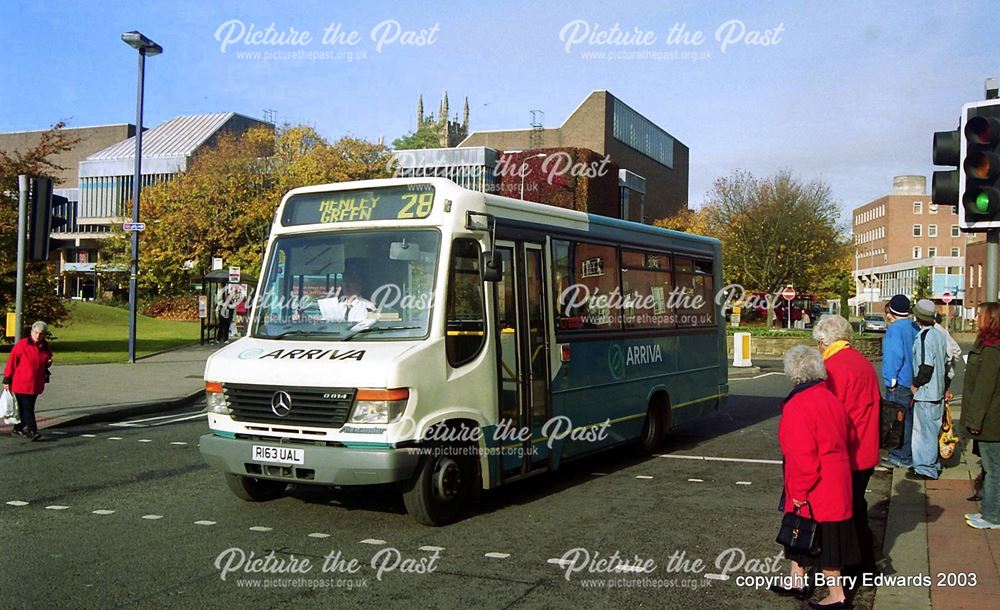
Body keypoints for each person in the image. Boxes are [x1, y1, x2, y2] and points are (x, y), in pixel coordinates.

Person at [771, 345, 859, 609]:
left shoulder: (798, 405)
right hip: (837, 479)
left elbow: (801, 457)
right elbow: (850, 436)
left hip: (817, 485)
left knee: (820, 538)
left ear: (793, 372)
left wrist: (798, 492)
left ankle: (837, 595)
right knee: (800, 532)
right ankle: (796, 580)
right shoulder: (830, 398)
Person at [813, 314, 881, 578]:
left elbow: (829, 416)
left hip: (847, 453)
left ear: (824, 341)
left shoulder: (832, 367)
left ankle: (853, 567)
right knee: (857, 507)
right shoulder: (861, 362)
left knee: (844, 513)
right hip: (866, 449)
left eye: (818, 343)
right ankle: (865, 563)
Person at [961, 302, 1000, 529]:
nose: (975, 318)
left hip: (991, 421)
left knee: (994, 469)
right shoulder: (987, 345)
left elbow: (985, 389)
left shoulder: (992, 350)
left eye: (979, 315)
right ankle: (990, 512)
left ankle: (992, 516)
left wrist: (974, 422)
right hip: (989, 419)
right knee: (991, 467)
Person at [906, 299, 949, 481]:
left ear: (918, 317)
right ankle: (932, 465)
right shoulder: (939, 334)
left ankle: (925, 468)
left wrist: (915, 384)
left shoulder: (924, 337)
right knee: (932, 430)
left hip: (926, 392)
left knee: (923, 433)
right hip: (937, 392)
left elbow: (926, 366)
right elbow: (945, 364)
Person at [882, 295, 919, 469]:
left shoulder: (894, 329)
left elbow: (894, 356)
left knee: (896, 420)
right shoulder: (913, 326)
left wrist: (890, 380)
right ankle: (907, 452)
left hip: (899, 381)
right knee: (909, 418)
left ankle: (899, 455)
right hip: (912, 380)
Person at [2, 321, 53, 441]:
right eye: (36, 333)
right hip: (21, 382)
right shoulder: (22, 345)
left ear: (45, 334)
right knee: (28, 408)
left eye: (41, 333)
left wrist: (48, 363)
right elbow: (12, 362)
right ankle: (32, 430)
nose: (38, 335)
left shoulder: (45, 346)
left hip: (36, 383)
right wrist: (7, 379)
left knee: (26, 407)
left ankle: (18, 427)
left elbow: (46, 360)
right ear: (31, 332)